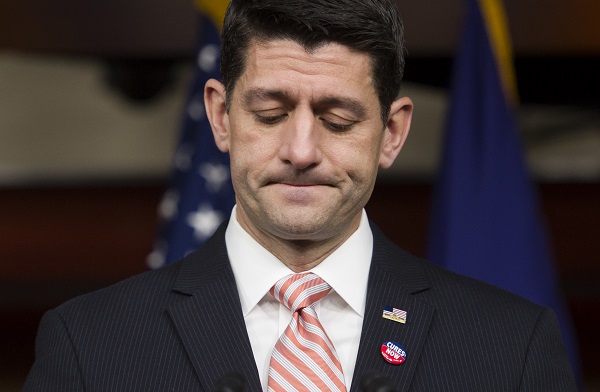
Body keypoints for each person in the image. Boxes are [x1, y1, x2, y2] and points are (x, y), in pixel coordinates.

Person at [25, 0, 577, 391]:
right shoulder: (89, 346)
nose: (301, 150)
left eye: (338, 120)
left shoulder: (511, 347)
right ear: (220, 116)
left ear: (392, 133)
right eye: (271, 114)